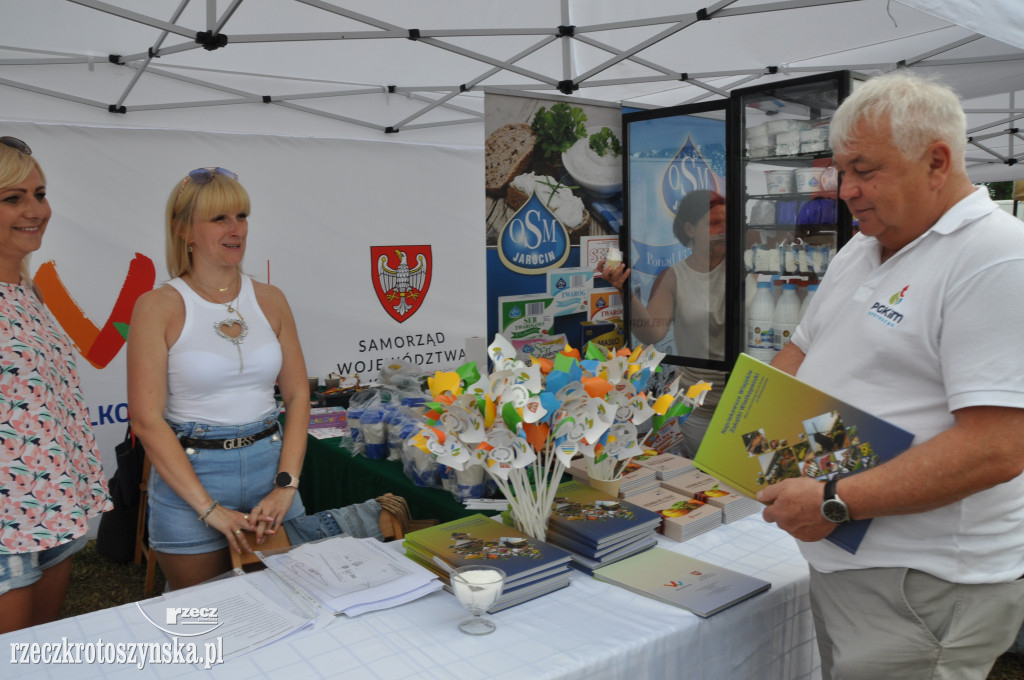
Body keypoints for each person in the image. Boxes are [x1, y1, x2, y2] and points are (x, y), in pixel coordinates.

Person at [757, 72, 1024, 680]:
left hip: (923, 584)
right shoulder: (865, 245)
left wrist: (832, 499)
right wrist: (748, 441)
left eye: (865, 170)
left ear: (937, 161)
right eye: (840, 171)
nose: (846, 190)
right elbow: (799, 353)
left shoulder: (998, 257)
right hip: (851, 561)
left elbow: (998, 447)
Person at [127, 167, 310, 590]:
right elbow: (146, 420)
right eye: (219, 218)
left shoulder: (270, 298)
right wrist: (208, 509)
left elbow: (299, 396)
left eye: (242, 216)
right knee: (204, 623)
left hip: (272, 469)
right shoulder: (158, 305)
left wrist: (286, 486)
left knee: (294, 605)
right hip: (191, 479)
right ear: (183, 230)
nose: (236, 229)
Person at [0, 136, 112, 633]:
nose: (35, 210)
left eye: (39, 193)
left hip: (53, 506)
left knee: (35, 652)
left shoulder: (29, 289)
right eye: (13, 197)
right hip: (7, 527)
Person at [602, 189, 728, 456]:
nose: (723, 230)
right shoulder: (674, 276)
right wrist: (624, 291)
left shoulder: (750, 266)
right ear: (690, 229)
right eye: (714, 223)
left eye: (727, 223)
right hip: (701, 409)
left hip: (746, 400)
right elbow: (652, 334)